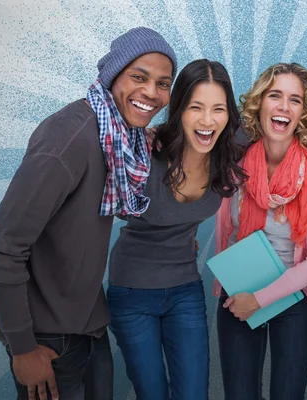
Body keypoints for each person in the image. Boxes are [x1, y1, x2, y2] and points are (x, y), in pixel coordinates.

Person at [0, 27, 177, 400]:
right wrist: (23, 347)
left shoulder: (121, 137)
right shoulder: (69, 138)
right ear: (112, 75)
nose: (151, 93)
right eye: (139, 77)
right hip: (46, 339)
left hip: (87, 326)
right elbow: (3, 248)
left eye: (163, 83)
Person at [106, 58, 246, 400]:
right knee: (152, 393)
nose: (207, 120)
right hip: (132, 291)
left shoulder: (229, 148)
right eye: (196, 107)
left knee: (194, 393)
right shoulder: (145, 150)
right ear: (179, 108)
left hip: (184, 287)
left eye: (218, 109)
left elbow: (284, 130)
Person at [212, 62, 307, 400]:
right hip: (240, 290)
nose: (283, 106)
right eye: (275, 95)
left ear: (304, 113)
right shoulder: (233, 163)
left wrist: (261, 299)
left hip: (295, 298)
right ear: (260, 103)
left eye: (295, 100)